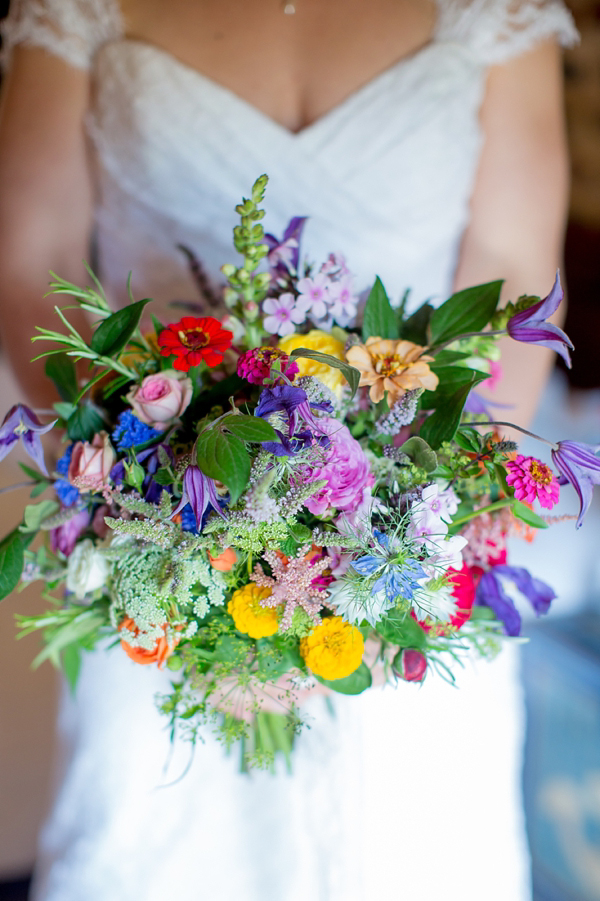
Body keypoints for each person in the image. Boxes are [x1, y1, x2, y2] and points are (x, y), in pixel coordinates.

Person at [0, 1, 577, 899]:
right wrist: (145, 483)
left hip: (412, 549)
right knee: (158, 837)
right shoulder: (79, 10)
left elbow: (513, 267)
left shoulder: (499, 14)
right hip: (158, 529)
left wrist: (427, 510)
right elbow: (32, 262)